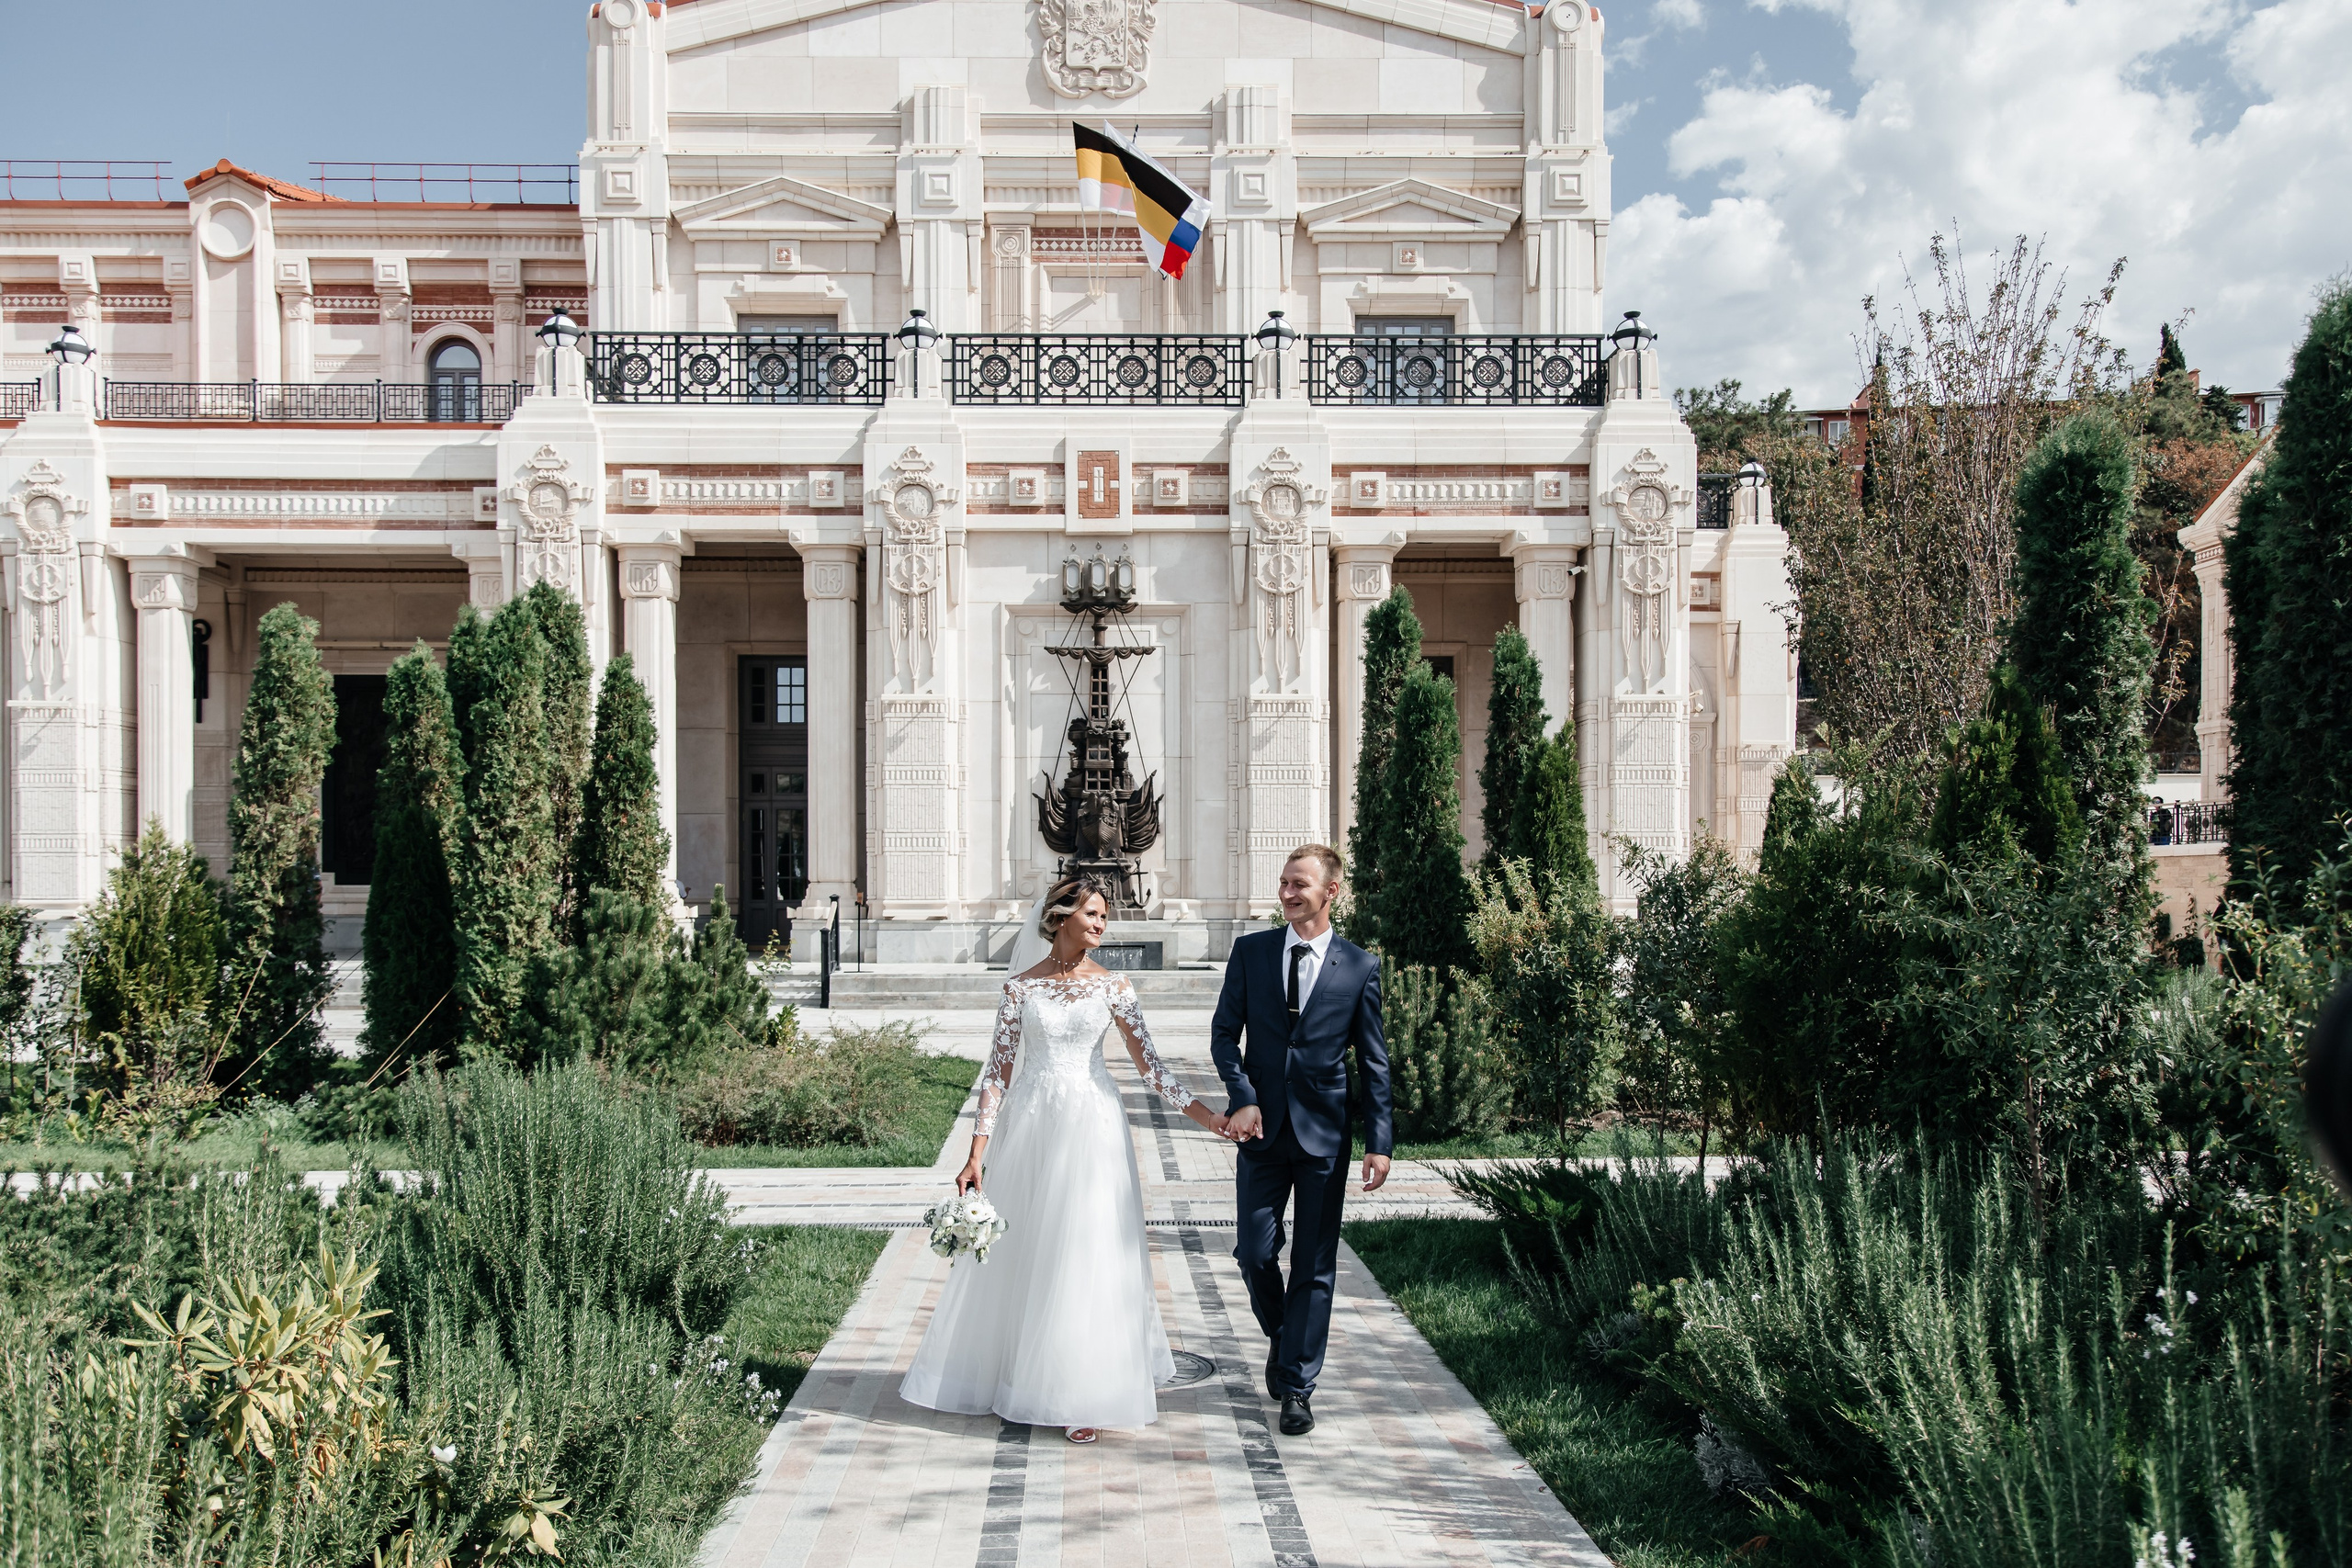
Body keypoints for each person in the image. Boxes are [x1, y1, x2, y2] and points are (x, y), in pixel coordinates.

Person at [899, 873, 1235, 1444]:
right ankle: (1019, 1376)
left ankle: (1084, 1392)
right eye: (1093, 915)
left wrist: (1211, 1118)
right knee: (1033, 1251)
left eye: (1104, 916)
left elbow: (1153, 1070)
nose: (1102, 924)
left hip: (1094, 1128)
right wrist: (975, 1154)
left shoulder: (1115, 988)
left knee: (1086, 1251)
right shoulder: (1019, 991)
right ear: (1059, 919)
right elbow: (997, 1077)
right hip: (1031, 1126)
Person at [1209, 843, 1393, 1437]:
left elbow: (1374, 1061)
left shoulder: (1360, 967)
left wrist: (1378, 1138)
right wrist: (1241, 1095)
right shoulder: (1251, 952)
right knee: (1254, 1251)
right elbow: (1222, 1035)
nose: (1287, 892)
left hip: (1325, 1136)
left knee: (1314, 1263)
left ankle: (1296, 1385)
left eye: (1300, 884)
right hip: (1261, 1132)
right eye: (1284, 882)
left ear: (1331, 891)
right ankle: (1285, 1333)